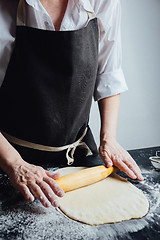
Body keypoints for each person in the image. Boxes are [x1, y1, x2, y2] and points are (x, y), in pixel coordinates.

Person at [0, 0, 143, 209]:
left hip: (78, 154)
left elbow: (109, 73)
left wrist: (109, 138)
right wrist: (14, 164)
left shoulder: (102, 1)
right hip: (8, 157)